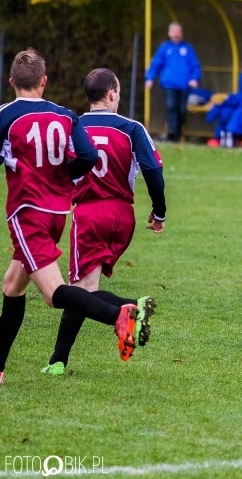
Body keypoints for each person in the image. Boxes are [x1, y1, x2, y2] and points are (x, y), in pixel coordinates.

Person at [0, 50, 155, 386]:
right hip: (60, 213)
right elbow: (88, 156)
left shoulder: (7, 115)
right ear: (44, 81)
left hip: (29, 212)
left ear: (11, 82)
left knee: (54, 293)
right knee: (12, 286)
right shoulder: (66, 115)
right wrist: (62, 179)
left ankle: (120, 313)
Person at [41, 68, 165, 376]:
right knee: (86, 289)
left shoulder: (73, 126)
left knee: (79, 291)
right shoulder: (132, 128)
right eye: (119, 91)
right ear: (111, 94)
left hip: (90, 213)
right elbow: (152, 169)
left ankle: (128, 308)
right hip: (123, 216)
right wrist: (159, 211)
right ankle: (58, 360)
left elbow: (57, 168)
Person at [145, 22, 202, 142]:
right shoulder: (164, 48)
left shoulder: (187, 49)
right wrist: (150, 78)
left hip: (184, 85)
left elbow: (195, 65)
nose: (176, 34)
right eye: (174, 32)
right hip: (169, 84)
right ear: (169, 33)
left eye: (178, 32)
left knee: (181, 110)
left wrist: (195, 78)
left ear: (181, 33)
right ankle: (172, 134)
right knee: (171, 107)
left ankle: (178, 133)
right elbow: (156, 64)